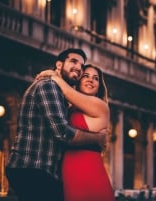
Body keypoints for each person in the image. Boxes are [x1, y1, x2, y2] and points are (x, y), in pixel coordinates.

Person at [6, 48, 107, 201]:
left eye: (81, 65)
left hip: (45, 169)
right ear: (59, 65)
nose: (78, 68)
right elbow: (62, 133)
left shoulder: (62, 92)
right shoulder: (49, 86)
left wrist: (56, 77)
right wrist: (97, 139)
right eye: (73, 61)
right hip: (34, 167)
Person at [37, 64, 115, 201]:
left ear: (99, 86)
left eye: (95, 78)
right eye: (86, 76)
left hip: (88, 170)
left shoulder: (100, 105)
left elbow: (67, 91)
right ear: (78, 80)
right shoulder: (70, 107)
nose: (91, 80)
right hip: (68, 170)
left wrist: (53, 75)